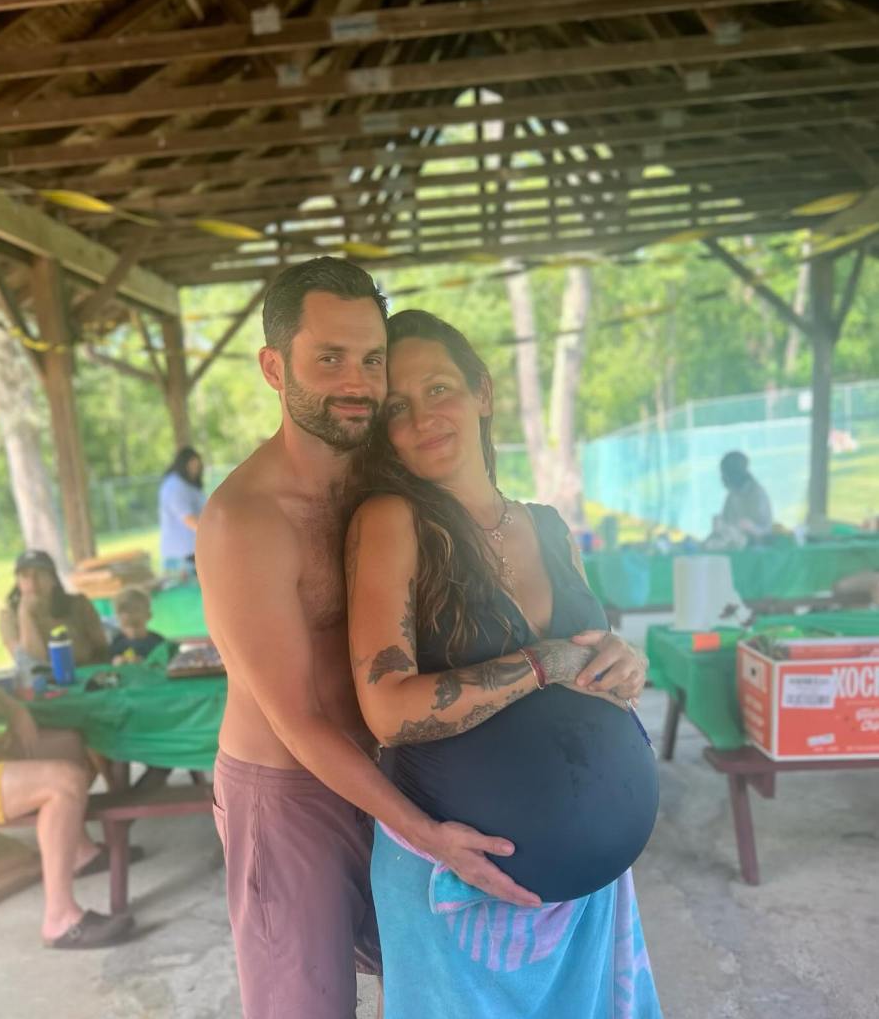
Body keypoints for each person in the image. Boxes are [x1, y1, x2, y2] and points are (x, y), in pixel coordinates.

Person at [196, 257, 648, 1019]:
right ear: (274, 367)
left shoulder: (389, 476)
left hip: (401, 771)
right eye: (328, 358)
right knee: (304, 1004)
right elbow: (296, 717)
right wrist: (423, 834)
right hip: (292, 790)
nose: (357, 381)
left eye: (369, 358)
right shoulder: (247, 518)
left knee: (422, 989)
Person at [346, 310, 661, 1018]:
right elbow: (387, 707)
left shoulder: (550, 527)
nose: (423, 416)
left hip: (587, 896)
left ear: (482, 391)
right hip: (456, 874)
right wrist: (538, 664)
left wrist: (624, 662)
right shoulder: (393, 521)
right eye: (396, 408)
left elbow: (595, 660)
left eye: (438, 388)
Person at [0, 549, 133, 949]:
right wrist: (15, 764)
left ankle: (79, 851)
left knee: (64, 743)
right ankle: (61, 919)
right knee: (63, 780)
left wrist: (13, 710)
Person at [707, 450, 773, 549]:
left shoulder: (757, 493)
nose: (722, 478)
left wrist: (751, 528)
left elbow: (766, 532)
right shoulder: (731, 495)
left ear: (734, 474)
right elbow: (725, 523)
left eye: (725, 474)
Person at [159, 446, 206, 577]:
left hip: (193, 550)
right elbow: (188, 519)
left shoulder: (189, 485)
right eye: (192, 466)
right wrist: (211, 534)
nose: (195, 470)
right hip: (182, 555)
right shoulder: (174, 486)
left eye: (197, 466)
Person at [108, 588, 165, 663]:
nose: (132, 631)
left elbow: (165, 663)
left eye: (136, 625)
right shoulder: (116, 643)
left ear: (148, 615)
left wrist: (144, 662)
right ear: (117, 619)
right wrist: (116, 661)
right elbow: (108, 664)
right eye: (126, 626)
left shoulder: (157, 642)